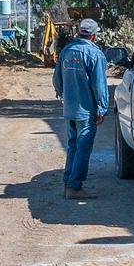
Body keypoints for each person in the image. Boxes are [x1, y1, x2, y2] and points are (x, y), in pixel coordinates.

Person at [53, 18, 110, 200]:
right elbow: (99, 85)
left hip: (69, 109)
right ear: (93, 36)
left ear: (79, 32)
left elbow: (57, 79)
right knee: (83, 148)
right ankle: (74, 186)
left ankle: (67, 182)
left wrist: (62, 94)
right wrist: (102, 109)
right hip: (86, 111)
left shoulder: (67, 51)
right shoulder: (95, 54)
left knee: (73, 145)